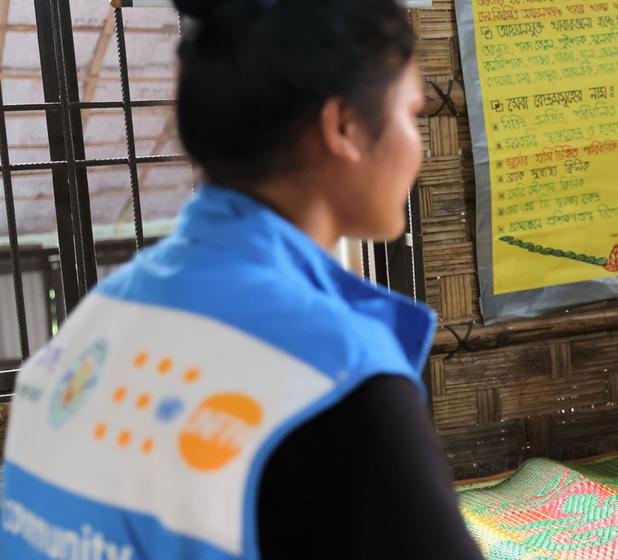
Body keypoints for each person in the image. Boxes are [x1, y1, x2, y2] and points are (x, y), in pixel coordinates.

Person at [0, 1, 482, 558]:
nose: (418, 148)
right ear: (345, 124)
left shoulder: (86, 334)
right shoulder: (336, 375)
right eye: (412, 113)